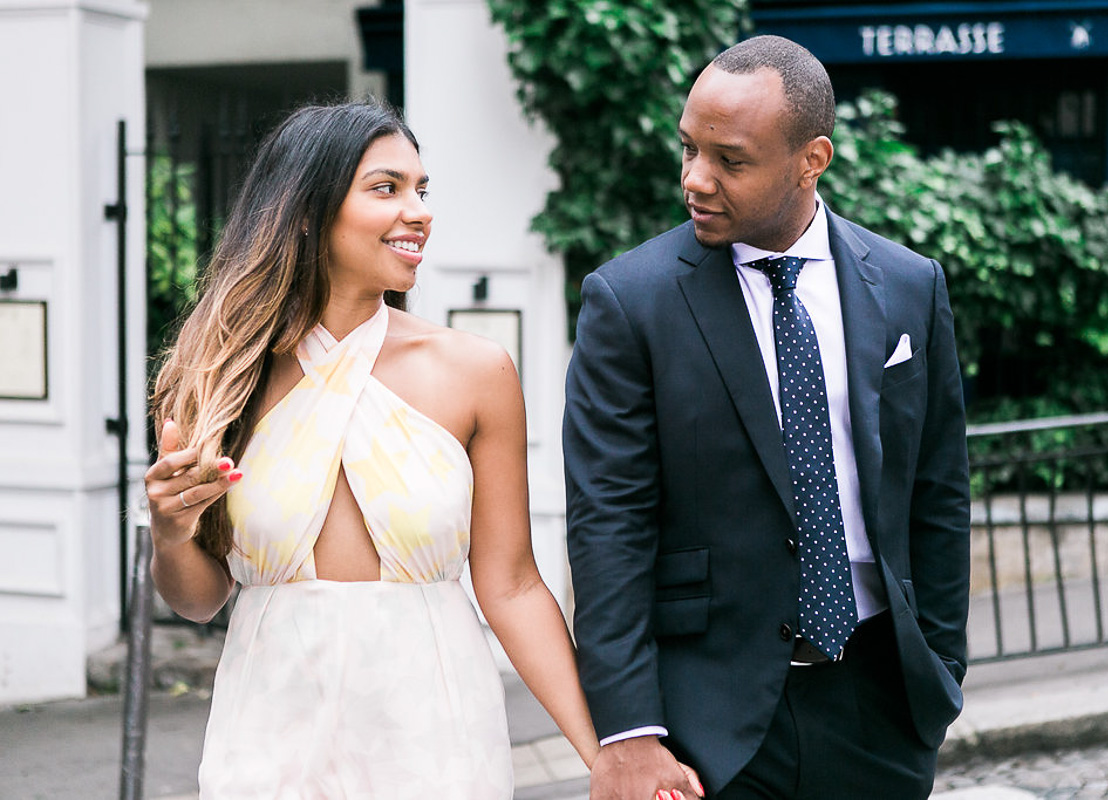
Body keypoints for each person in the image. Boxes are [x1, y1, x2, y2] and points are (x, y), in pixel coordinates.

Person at [143, 99, 600, 798]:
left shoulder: (475, 372)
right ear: (305, 210)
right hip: (269, 741)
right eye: (386, 188)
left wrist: (607, 755)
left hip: (434, 741)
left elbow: (511, 586)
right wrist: (171, 536)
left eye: (421, 189)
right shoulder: (213, 379)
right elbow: (201, 599)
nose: (418, 211)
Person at [564, 35, 971, 800]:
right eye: (688, 148)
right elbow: (607, 526)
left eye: (731, 160)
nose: (696, 179)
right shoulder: (629, 302)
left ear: (811, 159)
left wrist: (940, 670)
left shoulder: (912, 286)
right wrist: (627, 731)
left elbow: (939, 490)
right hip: (705, 724)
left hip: (880, 707)